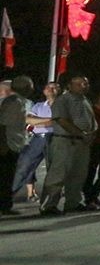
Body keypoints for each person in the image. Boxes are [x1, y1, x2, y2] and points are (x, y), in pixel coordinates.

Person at [40, 72, 96, 215]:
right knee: (58, 174)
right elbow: (62, 120)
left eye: (85, 83)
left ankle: (73, 203)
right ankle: (48, 204)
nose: (83, 86)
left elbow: (91, 121)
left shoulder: (85, 100)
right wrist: (80, 134)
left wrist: (91, 134)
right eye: (78, 84)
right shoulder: (63, 100)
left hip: (82, 143)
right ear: (70, 86)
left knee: (78, 175)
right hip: (65, 141)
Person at [11, 80, 57, 203]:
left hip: (56, 139)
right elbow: (29, 120)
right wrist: (53, 120)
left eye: (54, 88)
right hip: (38, 138)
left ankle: (49, 203)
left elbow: (64, 121)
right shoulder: (38, 106)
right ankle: (6, 199)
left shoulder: (64, 106)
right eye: (49, 87)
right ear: (44, 91)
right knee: (23, 167)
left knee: (54, 171)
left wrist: (40, 121)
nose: (51, 90)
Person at [0, 77, 28, 215]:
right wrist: (4, 145)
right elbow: (3, 125)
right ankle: (4, 206)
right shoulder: (15, 102)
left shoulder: (17, 101)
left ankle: (5, 204)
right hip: (9, 144)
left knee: (7, 176)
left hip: (13, 143)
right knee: (6, 176)